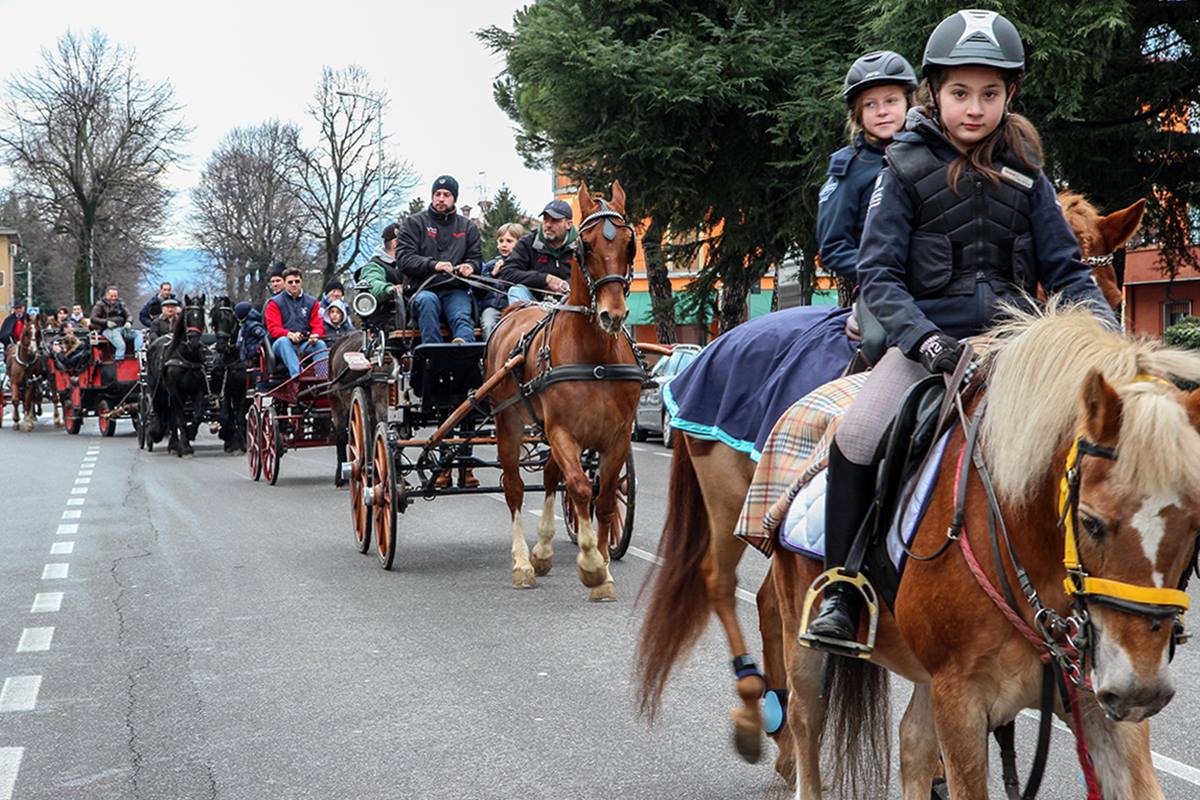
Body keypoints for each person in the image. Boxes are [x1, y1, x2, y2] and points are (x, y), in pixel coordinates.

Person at [804, 9, 1119, 648]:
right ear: (935, 92)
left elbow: (1066, 271)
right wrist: (925, 340)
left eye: (990, 94)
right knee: (858, 435)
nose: (974, 108)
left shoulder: (1027, 167)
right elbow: (879, 276)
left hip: (1016, 345)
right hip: (928, 346)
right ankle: (843, 589)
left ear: (1010, 96)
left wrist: (1108, 341)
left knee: (1098, 444)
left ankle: (1097, 591)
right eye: (959, 93)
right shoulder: (902, 165)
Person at [816, 51, 918, 306]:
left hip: (942, 284)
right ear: (857, 114)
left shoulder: (935, 155)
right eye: (870, 104)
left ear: (909, 102)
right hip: (883, 291)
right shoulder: (849, 168)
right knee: (875, 341)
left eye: (891, 101)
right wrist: (881, 274)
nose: (882, 111)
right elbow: (834, 245)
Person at [396, 175, 482, 344]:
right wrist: (434, 265)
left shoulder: (468, 227)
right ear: (432, 196)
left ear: (454, 198)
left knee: (461, 316)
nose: (441, 199)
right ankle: (433, 356)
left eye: (446, 195)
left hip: (455, 289)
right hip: (422, 289)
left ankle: (464, 352)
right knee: (428, 302)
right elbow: (404, 259)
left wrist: (470, 266)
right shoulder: (414, 223)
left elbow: (476, 259)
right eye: (438, 194)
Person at [499, 200, 576, 304]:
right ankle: (524, 320)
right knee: (516, 291)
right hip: (533, 303)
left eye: (555, 220)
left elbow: (594, 277)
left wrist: (564, 285)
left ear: (568, 224)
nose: (548, 225)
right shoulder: (527, 243)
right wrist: (545, 279)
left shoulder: (582, 246)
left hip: (572, 303)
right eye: (545, 219)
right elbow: (508, 273)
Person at [264, 267, 327, 378]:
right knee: (284, 341)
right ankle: (298, 377)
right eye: (290, 282)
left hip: (304, 343)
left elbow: (318, 325)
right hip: (281, 345)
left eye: (297, 281)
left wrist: (315, 335)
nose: (294, 284)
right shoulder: (274, 303)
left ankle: (323, 378)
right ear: (285, 284)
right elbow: (273, 329)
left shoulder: (312, 302)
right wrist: (289, 335)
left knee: (320, 344)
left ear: (301, 282)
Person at [478, 222, 526, 338]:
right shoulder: (491, 265)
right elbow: (479, 290)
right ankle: (489, 353)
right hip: (492, 306)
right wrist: (493, 274)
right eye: (501, 241)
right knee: (488, 323)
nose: (504, 245)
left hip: (511, 307)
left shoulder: (523, 265)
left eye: (509, 241)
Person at [90, 286, 143, 359]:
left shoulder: (121, 303)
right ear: (107, 295)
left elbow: (129, 315)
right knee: (121, 345)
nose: (114, 298)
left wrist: (129, 322)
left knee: (138, 334)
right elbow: (93, 318)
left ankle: (138, 355)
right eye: (112, 296)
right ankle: (119, 363)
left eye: (115, 296)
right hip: (108, 329)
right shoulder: (100, 304)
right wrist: (106, 322)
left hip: (122, 327)